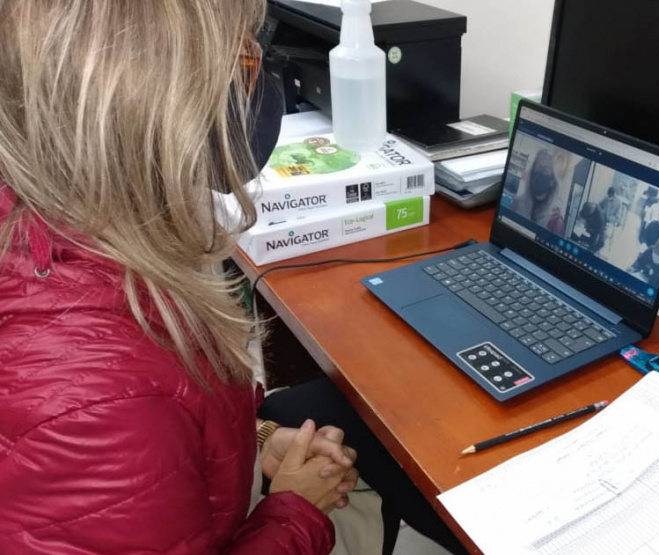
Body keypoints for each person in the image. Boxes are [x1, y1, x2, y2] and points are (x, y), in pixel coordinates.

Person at [0, 3, 469, 555]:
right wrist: (297, 510)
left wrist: (259, 439)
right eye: (245, 63)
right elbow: (140, 420)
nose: (261, 86)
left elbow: (174, 424)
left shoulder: (96, 244)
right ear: (158, 100)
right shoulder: (97, 402)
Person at [510, 149, 566, 235]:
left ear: (552, 180)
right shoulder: (517, 203)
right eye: (537, 168)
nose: (539, 173)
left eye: (545, 170)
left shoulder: (555, 220)